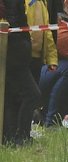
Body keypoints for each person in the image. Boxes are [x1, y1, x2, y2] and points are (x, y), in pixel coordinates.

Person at [2, 0, 41, 145]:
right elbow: (12, 24)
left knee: (11, 98)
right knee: (32, 94)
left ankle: (11, 137)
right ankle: (22, 136)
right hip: (14, 54)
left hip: (15, 53)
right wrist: (23, 47)